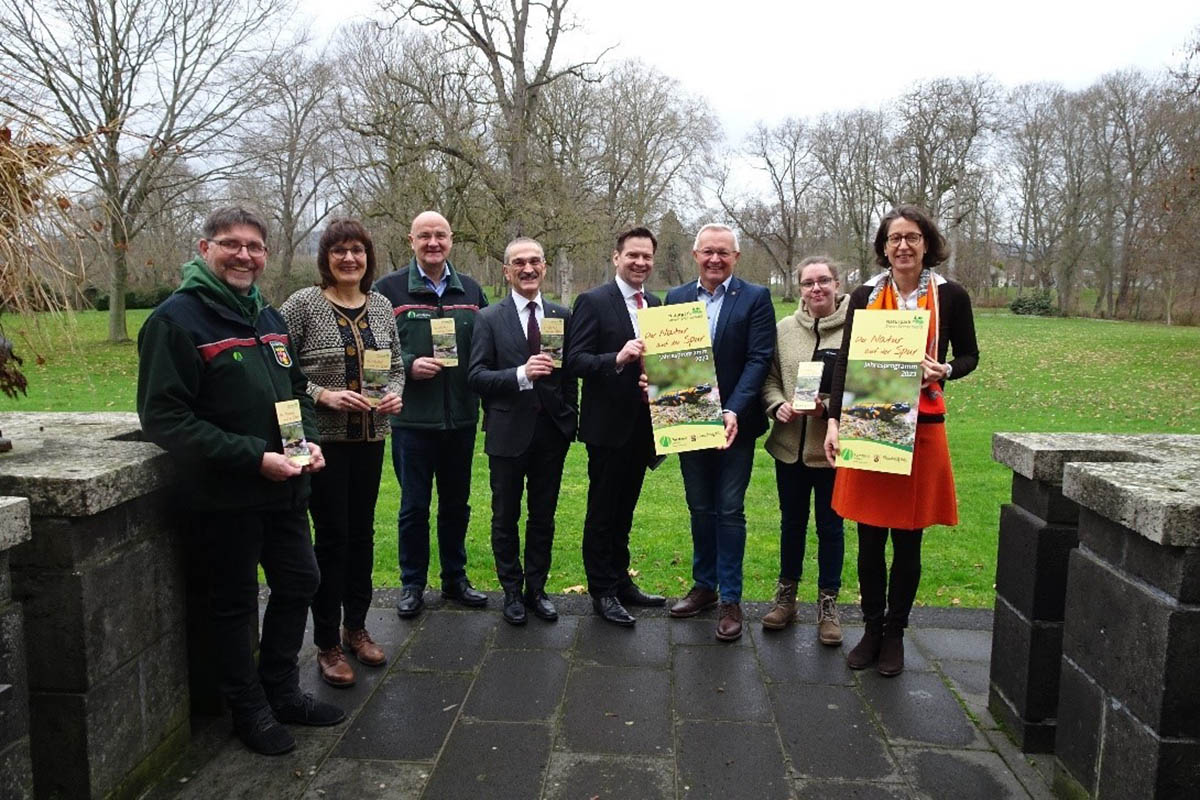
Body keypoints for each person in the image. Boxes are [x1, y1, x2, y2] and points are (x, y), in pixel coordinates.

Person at [137, 207, 343, 755]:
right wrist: (255, 457)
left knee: (300, 581)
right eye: (231, 244)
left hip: (284, 488)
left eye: (254, 246)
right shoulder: (175, 322)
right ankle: (246, 707)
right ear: (205, 249)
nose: (244, 255)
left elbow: (294, 391)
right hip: (224, 496)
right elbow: (165, 419)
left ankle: (281, 691)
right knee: (232, 603)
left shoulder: (265, 316)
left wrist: (305, 444)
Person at [824, 206, 979, 676]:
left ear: (926, 243)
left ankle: (895, 634)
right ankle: (871, 630)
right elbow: (846, 361)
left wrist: (946, 369)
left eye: (912, 237)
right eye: (895, 239)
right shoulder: (865, 294)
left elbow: (970, 355)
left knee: (908, 541)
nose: (904, 246)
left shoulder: (950, 295)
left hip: (924, 429)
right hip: (870, 420)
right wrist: (834, 421)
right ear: (884, 246)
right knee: (869, 538)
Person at [280, 219, 404, 687]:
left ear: (368, 257)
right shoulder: (304, 305)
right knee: (331, 538)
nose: (349, 259)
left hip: (369, 440)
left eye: (357, 251)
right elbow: (282, 370)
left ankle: (358, 627)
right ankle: (327, 643)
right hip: (323, 444)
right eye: (339, 251)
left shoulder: (381, 305)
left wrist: (393, 393)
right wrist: (323, 395)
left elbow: (395, 365)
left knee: (362, 536)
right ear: (325, 258)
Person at [374, 211, 489, 619]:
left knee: (457, 505)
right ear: (411, 241)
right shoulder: (386, 290)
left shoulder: (472, 290)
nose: (433, 243)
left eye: (440, 235)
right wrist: (407, 364)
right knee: (413, 507)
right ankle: (412, 584)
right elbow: (371, 351)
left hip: (460, 419)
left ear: (451, 240)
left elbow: (487, 349)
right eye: (425, 236)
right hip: (412, 422)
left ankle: (455, 579)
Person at [665, 223, 775, 642]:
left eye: (723, 253)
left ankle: (731, 598)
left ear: (736, 257)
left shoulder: (755, 298)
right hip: (689, 423)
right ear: (695, 255)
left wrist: (733, 409)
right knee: (699, 507)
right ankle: (704, 587)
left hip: (735, 425)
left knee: (729, 510)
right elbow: (669, 361)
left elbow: (758, 358)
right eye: (707, 251)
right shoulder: (675, 298)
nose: (715, 259)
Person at [468, 237, 578, 625]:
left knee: (543, 517)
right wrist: (519, 374)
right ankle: (511, 591)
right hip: (507, 433)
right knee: (505, 517)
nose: (528, 269)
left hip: (551, 435)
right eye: (519, 263)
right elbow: (476, 377)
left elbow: (569, 376)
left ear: (545, 267)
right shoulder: (488, 319)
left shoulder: (561, 316)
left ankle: (537, 589)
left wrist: (569, 419)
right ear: (506, 270)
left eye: (534, 262)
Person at [566, 226, 667, 626]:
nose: (640, 262)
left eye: (646, 257)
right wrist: (618, 358)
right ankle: (602, 591)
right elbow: (575, 361)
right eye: (632, 256)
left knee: (626, 509)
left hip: (644, 426)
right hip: (608, 427)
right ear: (616, 258)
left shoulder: (656, 303)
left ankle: (621, 580)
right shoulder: (592, 301)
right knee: (603, 510)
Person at [760, 256, 849, 644]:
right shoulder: (783, 330)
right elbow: (770, 378)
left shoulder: (855, 331)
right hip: (788, 447)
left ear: (838, 284)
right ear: (799, 288)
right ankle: (787, 597)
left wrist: (829, 408)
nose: (817, 289)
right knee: (791, 524)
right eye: (808, 283)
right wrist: (776, 403)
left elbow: (861, 387)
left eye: (824, 281)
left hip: (830, 451)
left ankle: (828, 605)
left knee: (831, 528)